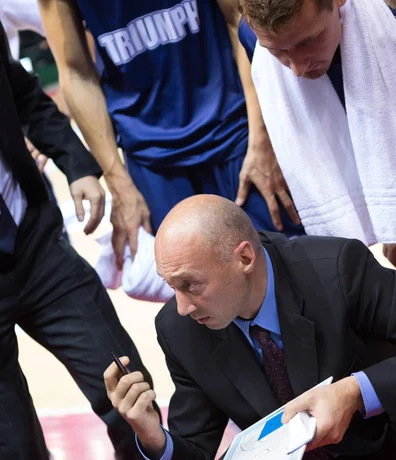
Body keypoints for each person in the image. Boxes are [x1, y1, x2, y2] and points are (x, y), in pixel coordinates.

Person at [104, 194, 396, 460]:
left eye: (191, 284)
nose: (183, 306)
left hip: (383, 437)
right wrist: (152, 434)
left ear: (244, 258)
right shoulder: (179, 328)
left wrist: (353, 391)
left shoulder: (337, 266)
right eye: (170, 286)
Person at [0, 18, 169, 460]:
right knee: (12, 455)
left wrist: (77, 164)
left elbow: (22, 95)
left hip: (34, 240)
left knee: (126, 385)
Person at [38, 0, 304, 272]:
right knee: (192, 288)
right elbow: (75, 72)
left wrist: (263, 139)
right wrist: (119, 184)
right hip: (151, 159)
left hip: (234, 131)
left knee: (282, 266)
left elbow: (240, 18)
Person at [238, 0, 396, 267]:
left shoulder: (391, 15)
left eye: (307, 42)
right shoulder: (251, 36)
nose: (297, 68)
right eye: (277, 52)